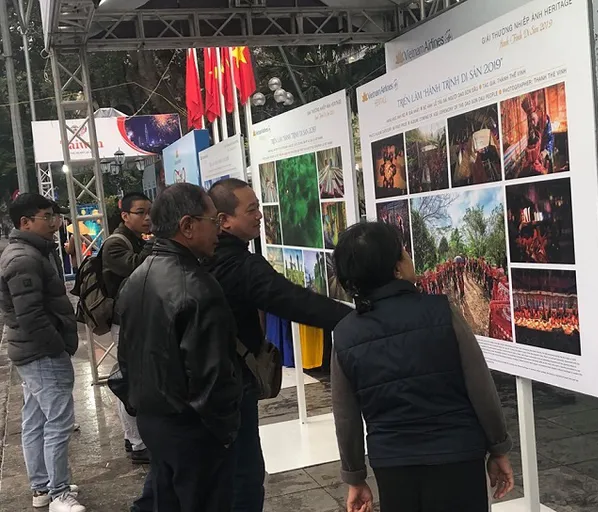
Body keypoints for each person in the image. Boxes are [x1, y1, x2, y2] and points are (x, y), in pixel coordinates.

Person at [331, 221, 514, 512]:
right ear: (397, 269)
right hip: (458, 454)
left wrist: (355, 477)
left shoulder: (345, 334)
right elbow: (481, 387)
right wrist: (498, 448)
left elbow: (346, 417)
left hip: (393, 462)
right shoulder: (442, 312)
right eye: (404, 252)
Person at [206, 178, 352, 512]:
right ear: (224, 220)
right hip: (232, 382)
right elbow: (292, 300)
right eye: (252, 209)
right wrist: (352, 319)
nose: (260, 215)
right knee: (245, 472)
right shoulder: (241, 265)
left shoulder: (202, 259)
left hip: (203, 384)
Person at [116, 183, 243, 512]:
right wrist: (225, 431)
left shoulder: (137, 277)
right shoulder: (198, 287)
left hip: (154, 421)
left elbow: (126, 356)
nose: (219, 231)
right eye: (213, 222)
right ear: (188, 226)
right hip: (192, 430)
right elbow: (212, 377)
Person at [0, 193, 85, 512]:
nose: (55, 223)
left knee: (35, 420)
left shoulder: (27, 252)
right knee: (59, 422)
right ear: (25, 222)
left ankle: (43, 487)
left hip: (33, 352)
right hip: (42, 354)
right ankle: (59, 493)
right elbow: (31, 315)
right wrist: (57, 347)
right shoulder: (23, 258)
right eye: (47, 217)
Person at [102, 192, 154, 465]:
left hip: (136, 320)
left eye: (150, 212)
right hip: (124, 323)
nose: (148, 218)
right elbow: (136, 270)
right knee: (128, 382)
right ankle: (137, 444)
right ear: (125, 216)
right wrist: (153, 244)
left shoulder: (134, 239)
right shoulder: (115, 244)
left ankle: (132, 436)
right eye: (141, 212)